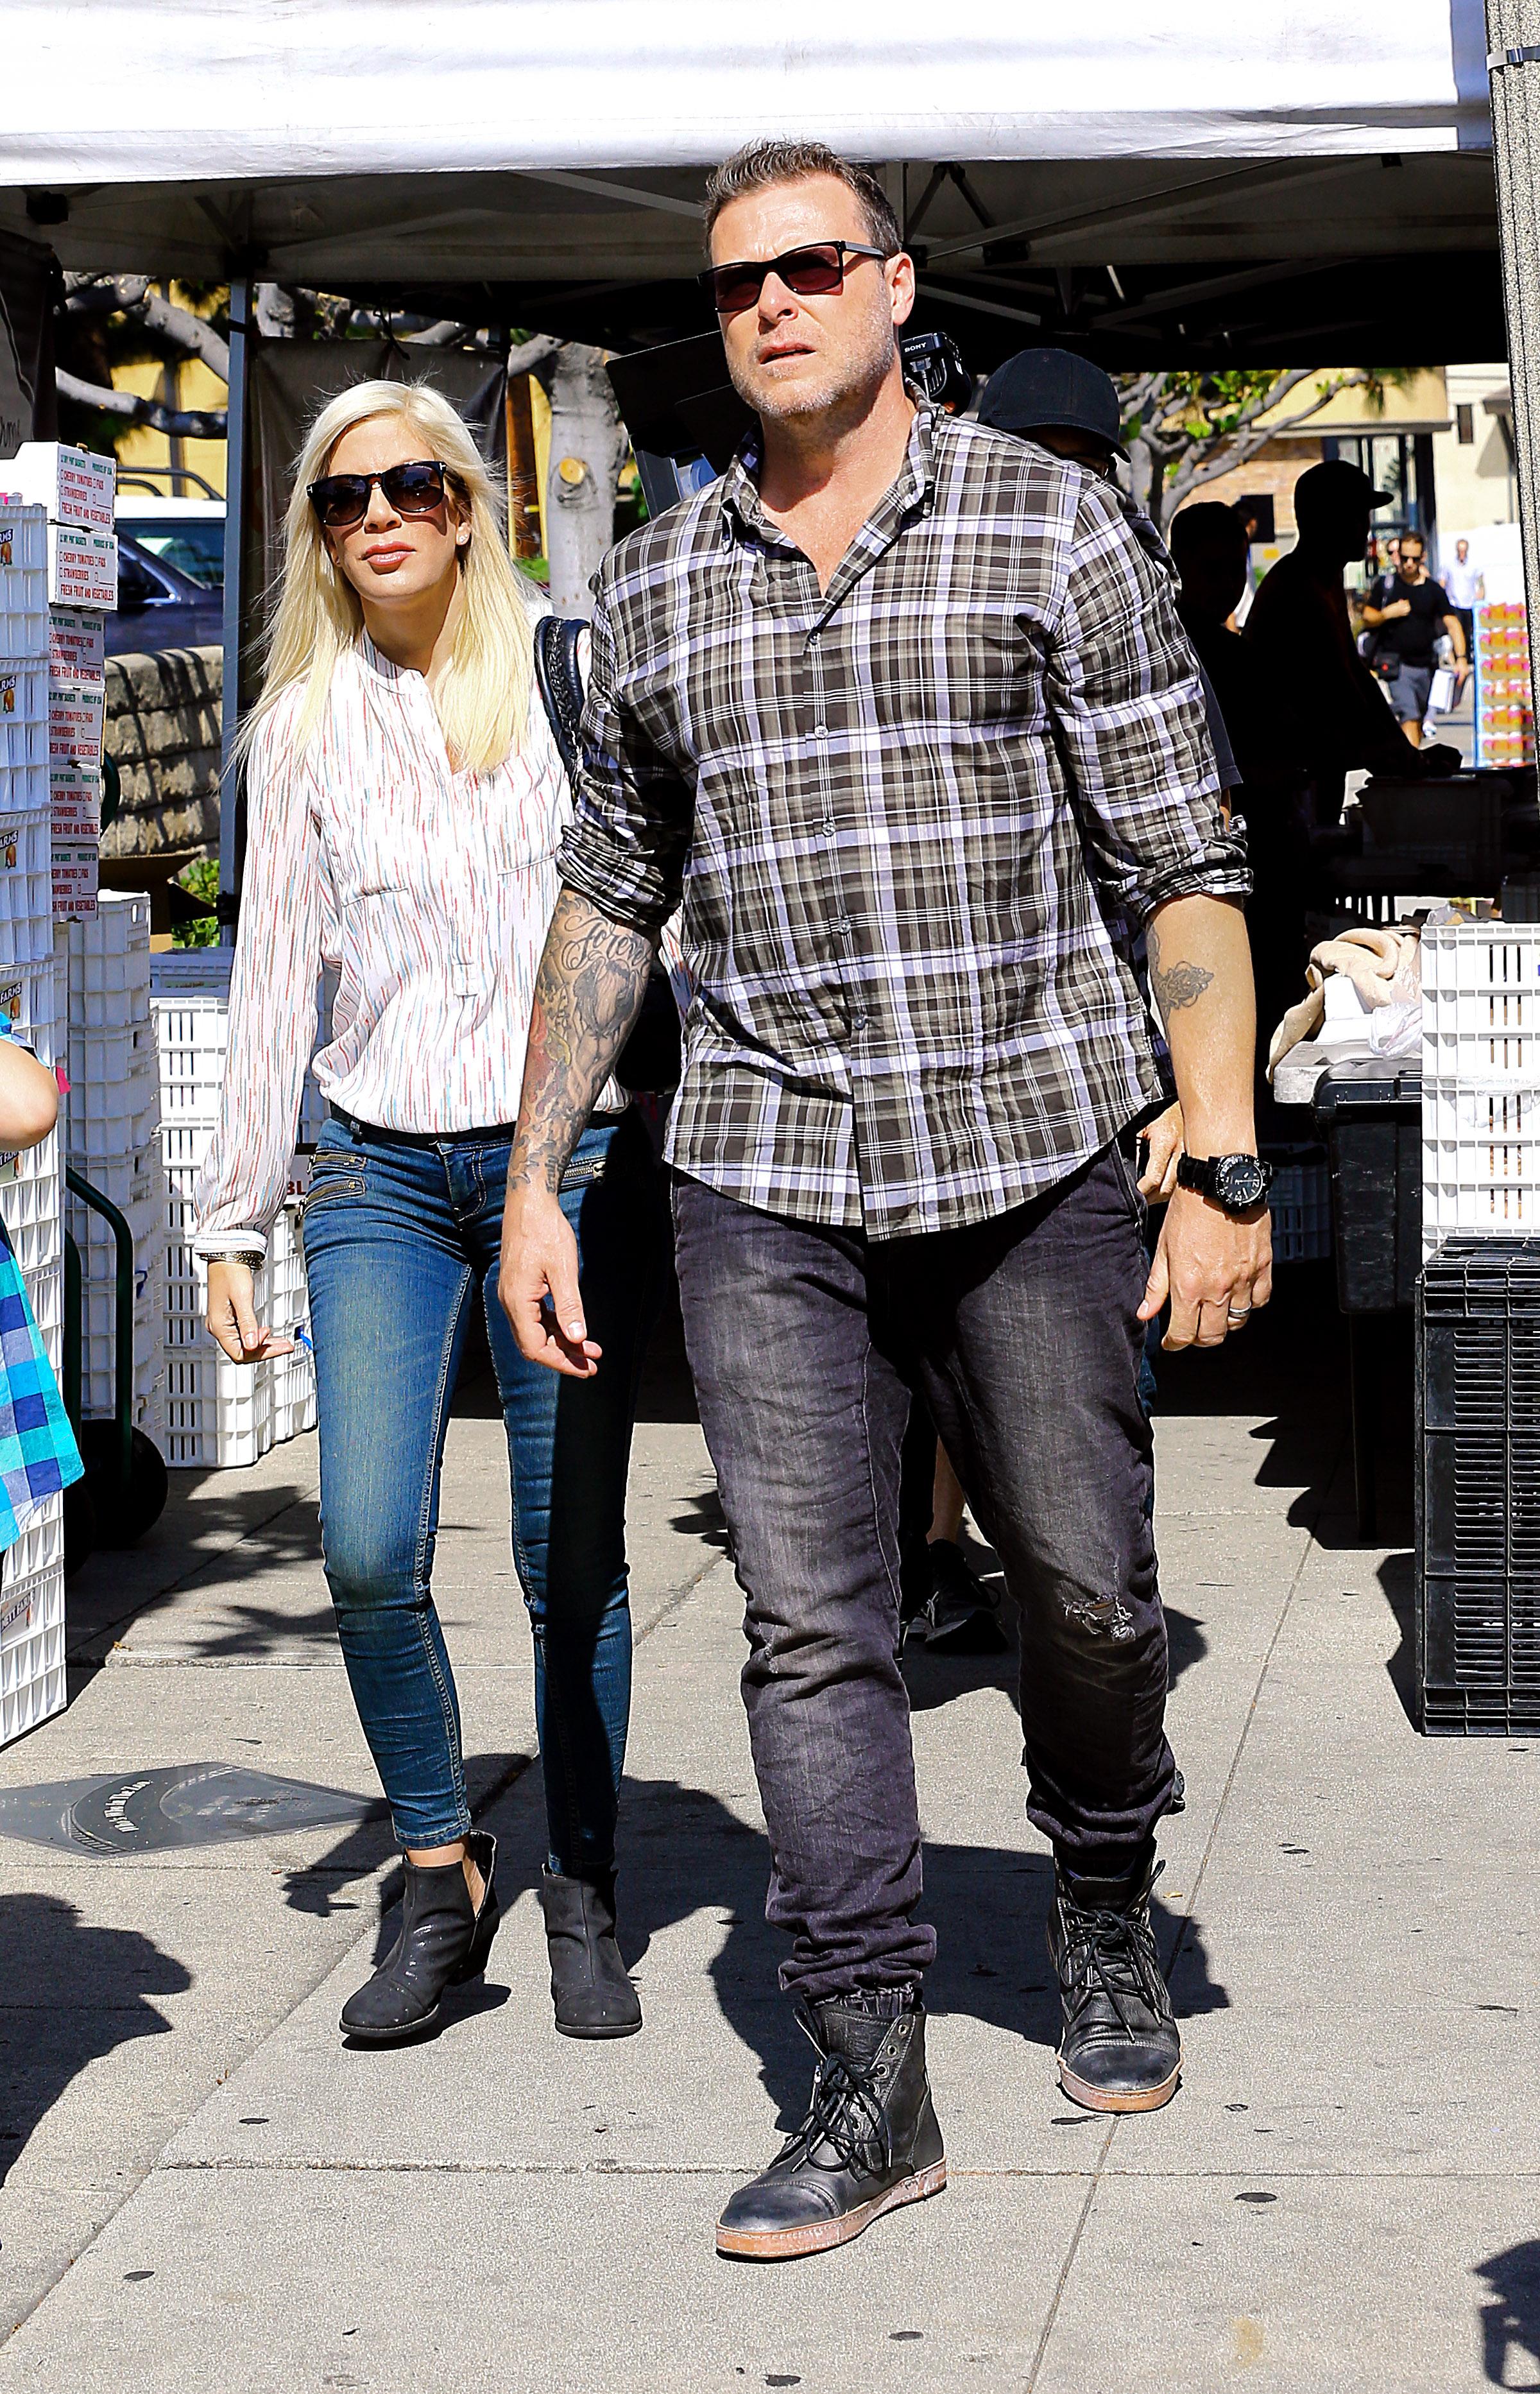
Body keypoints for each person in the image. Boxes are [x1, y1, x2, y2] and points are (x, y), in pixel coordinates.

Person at [500, 137, 1270, 2262]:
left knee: (1091, 1597)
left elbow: (1181, 861)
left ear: (897, 285)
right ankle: (868, 2067)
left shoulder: (1057, 528)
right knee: (810, 1628)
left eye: (812, 264)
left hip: (1029, 1158)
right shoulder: (656, 589)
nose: (773, 301)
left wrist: (1219, 1160)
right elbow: (608, 903)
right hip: (762, 1174)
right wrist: (539, 1179)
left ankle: (1101, 1883)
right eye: (740, 277)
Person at [193, 378, 663, 2049]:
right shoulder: (300, 728)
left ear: (467, 504)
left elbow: (654, 904)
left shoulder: (569, 680)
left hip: (565, 1168)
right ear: (320, 536)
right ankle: (439, 1862)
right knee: (372, 1546)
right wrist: (231, 1213)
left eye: (407, 485)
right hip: (379, 1169)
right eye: (340, 499)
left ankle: (589, 1885)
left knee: (571, 1563)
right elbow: (269, 981)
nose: (377, 515)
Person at [1245, 458, 1462, 816]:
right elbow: (1341, 691)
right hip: (1288, 778)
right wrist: (1405, 760)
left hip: (1312, 766)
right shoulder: (1299, 587)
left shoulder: (1324, 580)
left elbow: (1357, 678)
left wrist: (1408, 757)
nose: (1366, 527)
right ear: (1328, 519)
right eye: (1358, 515)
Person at [1358, 526, 1469, 746]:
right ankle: (1412, 774)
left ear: (1423, 557)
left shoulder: (1433, 590)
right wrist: (1386, 614)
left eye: (1415, 559)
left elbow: (1452, 623)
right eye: (1405, 557)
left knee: (1416, 720)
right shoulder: (1387, 585)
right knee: (1409, 716)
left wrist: (1462, 659)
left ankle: (1408, 765)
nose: (1409, 563)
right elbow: (1367, 616)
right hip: (1397, 667)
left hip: (1426, 667)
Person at [1442, 535, 1484, 665]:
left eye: (1464, 550)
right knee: (1457, 630)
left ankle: (1468, 656)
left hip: (1470, 603)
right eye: (1460, 550)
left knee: (1469, 630)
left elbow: (1481, 583)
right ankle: (1458, 656)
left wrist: (1480, 597)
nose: (1462, 553)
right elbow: (1442, 582)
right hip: (1454, 603)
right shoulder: (1448, 565)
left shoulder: (1473, 566)